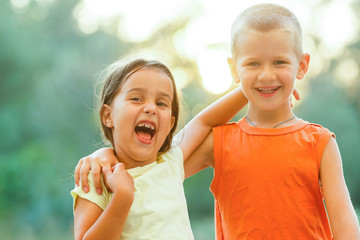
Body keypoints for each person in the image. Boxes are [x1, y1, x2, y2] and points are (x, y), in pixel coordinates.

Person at [75, 3, 360, 239]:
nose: (266, 75)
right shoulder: (220, 142)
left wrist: (254, 87)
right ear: (234, 70)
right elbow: (148, 162)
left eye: (279, 63)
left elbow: (345, 223)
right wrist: (105, 154)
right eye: (253, 65)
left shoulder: (320, 143)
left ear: (302, 66)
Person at [71, 57, 249, 240]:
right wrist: (122, 198)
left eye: (161, 103)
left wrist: (249, 87)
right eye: (137, 98)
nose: (151, 108)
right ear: (108, 116)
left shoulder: (171, 161)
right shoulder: (97, 177)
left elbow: (204, 122)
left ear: (170, 125)